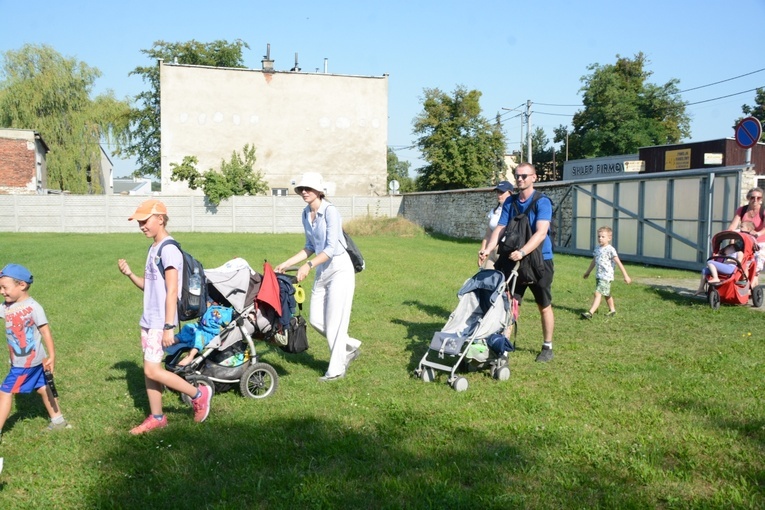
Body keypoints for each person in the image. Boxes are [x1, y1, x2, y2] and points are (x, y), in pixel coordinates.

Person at [117, 199, 212, 434]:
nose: (141, 226)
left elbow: (172, 291)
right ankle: (157, 416)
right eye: (139, 222)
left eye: (145, 221)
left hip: (161, 321)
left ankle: (199, 394)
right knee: (150, 370)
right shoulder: (154, 248)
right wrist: (130, 274)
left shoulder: (169, 249)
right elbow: (150, 287)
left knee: (152, 370)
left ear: (160, 218)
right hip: (149, 320)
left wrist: (169, 326)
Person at [274, 172, 361, 381]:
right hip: (323, 270)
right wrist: (286, 264)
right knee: (315, 320)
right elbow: (310, 246)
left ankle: (336, 369)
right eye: (302, 189)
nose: (304, 192)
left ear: (319, 191)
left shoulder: (331, 212)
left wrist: (308, 265)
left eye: (309, 189)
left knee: (334, 323)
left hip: (340, 269)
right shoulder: (305, 214)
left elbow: (331, 248)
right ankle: (349, 346)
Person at [479, 163, 555, 362]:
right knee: (509, 305)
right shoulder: (510, 202)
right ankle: (502, 348)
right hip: (512, 262)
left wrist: (523, 251)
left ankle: (547, 347)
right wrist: (487, 249)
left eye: (524, 176)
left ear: (534, 178)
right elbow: (500, 229)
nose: (520, 179)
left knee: (543, 305)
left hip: (539, 261)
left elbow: (541, 233)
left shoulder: (542, 202)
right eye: (517, 176)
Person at [0, 263, 70, 440]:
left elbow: (45, 331)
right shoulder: (6, 306)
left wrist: (52, 356)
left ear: (21, 285)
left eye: (4, 287)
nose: (2, 291)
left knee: (5, 392)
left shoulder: (33, 307)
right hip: (27, 360)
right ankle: (59, 421)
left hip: (26, 362)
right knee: (42, 387)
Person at [581, 226, 632, 318]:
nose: (600, 238)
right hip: (599, 275)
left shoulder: (610, 249)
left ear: (609, 238)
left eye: (603, 237)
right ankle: (612, 310)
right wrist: (588, 272)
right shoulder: (597, 248)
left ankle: (590, 313)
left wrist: (626, 276)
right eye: (599, 236)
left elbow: (618, 262)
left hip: (606, 276)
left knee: (598, 293)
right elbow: (594, 261)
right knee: (606, 293)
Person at [479, 181, 514, 269]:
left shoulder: (514, 211)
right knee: (487, 279)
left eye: (502, 192)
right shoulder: (494, 211)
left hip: (506, 251)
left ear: (510, 193)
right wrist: (483, 250)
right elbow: (488, 235)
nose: (499, 195)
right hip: (492, 251)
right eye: (498, 192)